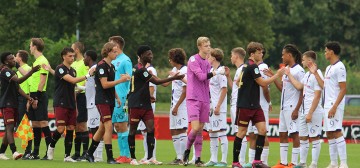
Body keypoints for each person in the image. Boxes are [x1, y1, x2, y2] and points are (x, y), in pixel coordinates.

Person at [127, 45, 184, 165]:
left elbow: (141, 85)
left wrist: (149, 96)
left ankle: (150, 157)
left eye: (151, 53)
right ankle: (133, 158)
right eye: (148, 54)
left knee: (151, 130)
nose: (151, 56)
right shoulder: (140, 69)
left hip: (146, 104)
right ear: (141, 56)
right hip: (135, 104)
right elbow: (157, 82)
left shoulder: (143, 69)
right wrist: (175, 77)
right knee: (132, 131)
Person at [231, 42, 284, 168]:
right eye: (259, 52)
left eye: (261, 52)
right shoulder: (253, 67)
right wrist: (277, 75)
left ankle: (256, 161)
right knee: (242, 132)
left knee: (262, 130)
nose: (261, 54)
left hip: (255, 105)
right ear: (252, 54)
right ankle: (235, 162)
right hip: (245, 105)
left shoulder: (246, 66)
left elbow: (239, 82)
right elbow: (262, 83)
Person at [83, 42, 130, 164]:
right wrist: (121, 80)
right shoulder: (102, 66)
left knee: (102, 128)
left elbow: (110, 85)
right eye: (114, 51)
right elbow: (104, 85)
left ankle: (89, 153)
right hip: (102, 100)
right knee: (109, 127)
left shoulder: (112, 66)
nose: (116, 53)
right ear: (108, 52)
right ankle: (110, 157)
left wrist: (117, 97)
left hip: (110, 100)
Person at [182, 37, 225, 167]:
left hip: (205, 99)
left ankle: (198, 159)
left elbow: (208, 81)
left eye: (209, 45)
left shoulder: (207, 63)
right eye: (206, 46)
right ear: (199, 47)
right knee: (195, 128)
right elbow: (201, 77)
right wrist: (216, 72)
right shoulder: (193, 59)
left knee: (200, 130)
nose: (208, 48)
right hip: (194, 97)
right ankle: (187, 151)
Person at [46, 47, 93, 162]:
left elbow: (73, 88)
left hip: (71, 103)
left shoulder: (73, 70)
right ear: (63, 56)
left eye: (73, 56)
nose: (72, 58)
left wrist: (75, 106)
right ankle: (51, 147)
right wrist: (88, 75)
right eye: (69, 56)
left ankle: (67, 156)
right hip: (61, 102)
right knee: (61, 129)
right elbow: (72, 81)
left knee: (71, 128)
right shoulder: (60, 69)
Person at [309, 42, 348, 168]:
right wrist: (315, 73)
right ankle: (334, 163)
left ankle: (343, 163)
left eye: (326, 51)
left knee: (336, 131)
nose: (325, 53)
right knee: (330, 133)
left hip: (334, 105)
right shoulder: (329, 68)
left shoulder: (340, 67)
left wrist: (335, 106)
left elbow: (343, 89)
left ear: (331, 51)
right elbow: (324, 86)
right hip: (327, 105)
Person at [284, 51, 324, 168]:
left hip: (313, 110)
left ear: (309, 61)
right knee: (303, 137)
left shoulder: (318, 74)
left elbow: (317, 95)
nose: (302, 62)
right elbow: (299, 87)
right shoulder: (307, 75)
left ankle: (314, 164)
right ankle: (302, 163)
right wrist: (289, 75)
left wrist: (310, 112)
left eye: (303, 59)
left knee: (314, 136)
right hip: (303, 110)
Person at [270, 44, 305, 168]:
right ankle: (283, 163)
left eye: (283, 54)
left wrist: (296, 109)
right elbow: (282, 89)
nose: (282, 56)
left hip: (292, 107)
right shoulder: (286, 70)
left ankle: (294, 163)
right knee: (282, 134)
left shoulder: (299, 70)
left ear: (289, 55)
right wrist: (273, 77)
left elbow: (302, 90)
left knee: (294, 134)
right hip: (283, 107)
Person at [0, 52, 38, 160]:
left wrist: (28, 98)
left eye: (14, 58)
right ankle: (14, 151)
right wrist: (32, 71)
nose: (14, 60)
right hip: (7, 103)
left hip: (13, 103)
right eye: (12, 59)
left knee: (10, 129)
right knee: (10, 127)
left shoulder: (12, 72)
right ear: (6, 61)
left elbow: (18, 88)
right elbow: (19, 80)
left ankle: (1, 152)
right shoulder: (5, 72)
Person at [243, 47, 272, 168]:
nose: (260, 54)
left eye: (261, 53)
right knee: (252, 134)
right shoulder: (250, 67)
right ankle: (252, 162)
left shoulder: (263, 67)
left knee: (262, 133)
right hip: (252, 104)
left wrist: (269, 102)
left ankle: (263, 161)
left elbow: (265, 87)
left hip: (261, 104)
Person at [26, 38, 52, 160]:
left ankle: (49, 152)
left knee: (43, 122)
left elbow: (42, 81)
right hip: (33, 94)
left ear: (35, 46)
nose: (29, 48)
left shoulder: (42, 60)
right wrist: (30, 98)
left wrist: (36, 97)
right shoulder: (36, 61)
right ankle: (35, 153)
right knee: (35, 123)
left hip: (39, 95)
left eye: (30, 45)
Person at [161, 48, 188, 165]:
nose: (169, 60)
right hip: (174, 105)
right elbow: (165, 83)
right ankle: (178, 157)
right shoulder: (174, 69)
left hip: (181, 106)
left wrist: (176, 106)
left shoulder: (185, 71)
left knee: (181, 129)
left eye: (170, 58)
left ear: (175, 59)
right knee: (173, 130)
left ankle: (183, 158)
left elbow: (185, 90)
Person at [109, 36, 133, 163]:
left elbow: (130, 78)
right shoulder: (113, 60)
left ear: (116, 46)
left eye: (111, 44)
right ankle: (122, 154)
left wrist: (127, 78)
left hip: (122, 97)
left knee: (122, 125)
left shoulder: (126, 60)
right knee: (117, 126)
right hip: (113, 97)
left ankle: (127, 155)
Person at [204, 48, 228, 167]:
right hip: (211, 108)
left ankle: (223, 160)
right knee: (212, 132)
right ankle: (213, 159)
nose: (207, 58)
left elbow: (224, 89)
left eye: (209, 56)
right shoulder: (212, 71)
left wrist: (218, 106)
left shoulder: (221, 71)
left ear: (213, 58)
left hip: (219, 108)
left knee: (222, 131)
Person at [225, 47, 248, 165]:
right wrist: (228, 76)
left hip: (239, 104)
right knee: (238, 132)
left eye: (231, 55)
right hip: (234, 104)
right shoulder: (239, 70)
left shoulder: (243, 69)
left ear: (237, 56)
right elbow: (234, 87)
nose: (230, 57)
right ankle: (240, 161)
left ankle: (242, 161)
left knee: (241, 132)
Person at [137, 61, 162, 165]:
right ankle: (147, 155)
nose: (138, 59)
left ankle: (152, 156)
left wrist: (147, 100)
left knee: (149, 131)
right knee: (144, 131)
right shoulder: (142, 70)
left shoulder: (150, 70)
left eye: (139, 57)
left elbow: (151, 87)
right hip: (142, 104)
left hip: (147, 104)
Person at [70, 42, 90, 161]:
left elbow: (88, 77)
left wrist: (78, 89)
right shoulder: (74, 63)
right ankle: (77, 153)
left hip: (82, 95)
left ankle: (85, 153)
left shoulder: (84, 62)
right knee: (76, 125)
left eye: (72, 49)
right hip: (73, 96)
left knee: (82, 124)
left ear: (76, 50)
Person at [84, 50, 104, 162]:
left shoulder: (95, 68)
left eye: (85, 57)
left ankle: (98, 156)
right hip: (90, 102)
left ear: (89, 58)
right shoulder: (91, 70)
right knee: (94, 128)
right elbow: (90, 86)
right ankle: (96, 155)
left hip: (95, 103)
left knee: (96, 128)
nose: (83, 59)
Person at [13, 50, 33, 158]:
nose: (15, 58)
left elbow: (30, 85)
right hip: (18, 99)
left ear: (20, 58)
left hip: (24, 99)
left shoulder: (27, 69)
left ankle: (28, 151)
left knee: (25, 124)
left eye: (16, 56)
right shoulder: (18, 70)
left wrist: (28, 101)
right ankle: (26, 150)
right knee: (21, 125)